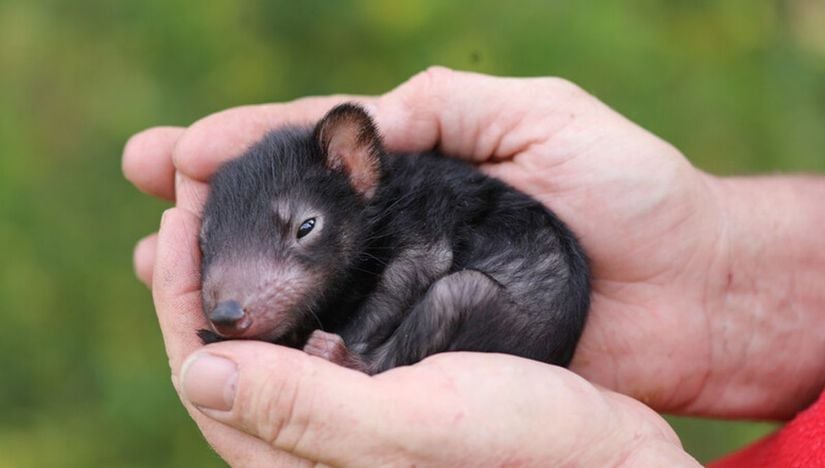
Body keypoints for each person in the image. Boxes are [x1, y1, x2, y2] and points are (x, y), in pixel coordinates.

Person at [123, 67, 825, 466]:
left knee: (443, 290)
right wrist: (728, 263)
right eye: (214, 246)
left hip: (517, 291)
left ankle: (360, 359)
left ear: (354, 171)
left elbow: (423, 265)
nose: (228, 295)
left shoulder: (408, 215)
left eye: (301, 231)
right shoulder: (355, 221)